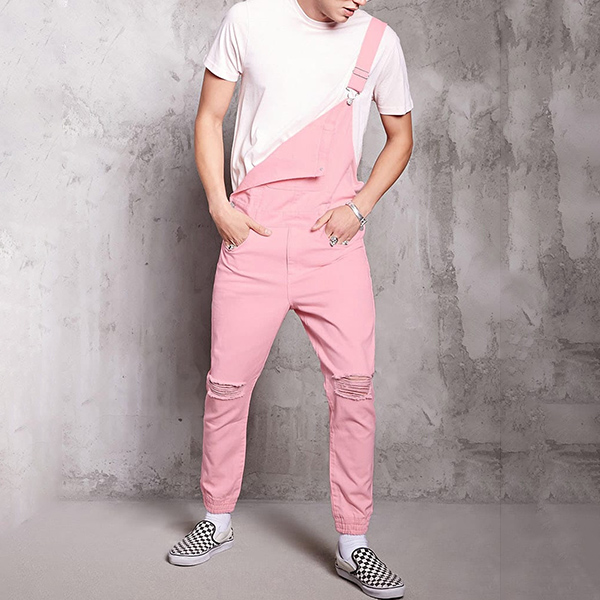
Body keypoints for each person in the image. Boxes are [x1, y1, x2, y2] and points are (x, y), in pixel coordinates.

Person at [168, 0, 413, 597]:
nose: (360, 0)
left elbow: (401, 136)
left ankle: (354, 545)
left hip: (330, 242)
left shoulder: (379, 41)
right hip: (253, 232)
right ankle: (216, 521)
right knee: (227, 387)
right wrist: (219, 205)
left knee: (354, 390)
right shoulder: (248, 20)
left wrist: (360, 208)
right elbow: (209, 116)